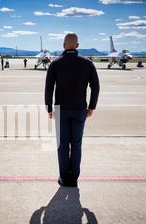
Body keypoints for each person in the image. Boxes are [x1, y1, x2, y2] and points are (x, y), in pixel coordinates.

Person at [45, 33, 100, 187]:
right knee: (76, 144)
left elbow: (49, 88)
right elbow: (95, 87)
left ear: (63, 45)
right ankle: (74, 177)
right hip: (79, 110)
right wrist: (91, 107)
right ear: (77, 45)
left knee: (63, 144)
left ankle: (64, 177)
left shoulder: (55, 64)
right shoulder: (87, 63)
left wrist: (49, 108)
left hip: (60, 110)